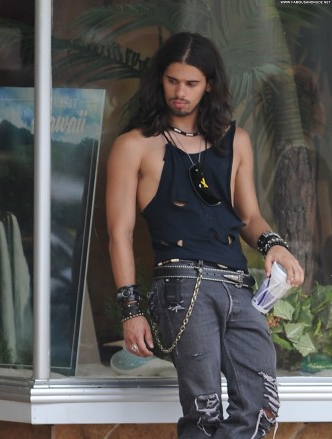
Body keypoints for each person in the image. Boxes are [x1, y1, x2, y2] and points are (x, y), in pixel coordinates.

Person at [106, 32, 304, 438]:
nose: (180, 92)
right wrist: (131, 310)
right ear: (159, 80)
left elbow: (248, 216)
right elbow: (118, 233)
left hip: (238, 285)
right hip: (182, 284)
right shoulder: (134, 145)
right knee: (204, 412)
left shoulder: (236, 140)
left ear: (209, 84)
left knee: (262, 407)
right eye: (172, 81)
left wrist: (276, 246)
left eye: (191, 83)